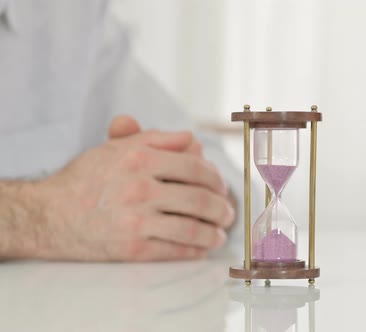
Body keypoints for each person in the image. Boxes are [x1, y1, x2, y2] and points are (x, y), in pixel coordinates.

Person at [0, 1, 241, 261]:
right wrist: (42, 215)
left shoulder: (70, 15)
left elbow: (219, 169)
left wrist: (178, 190)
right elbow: (59, 210)